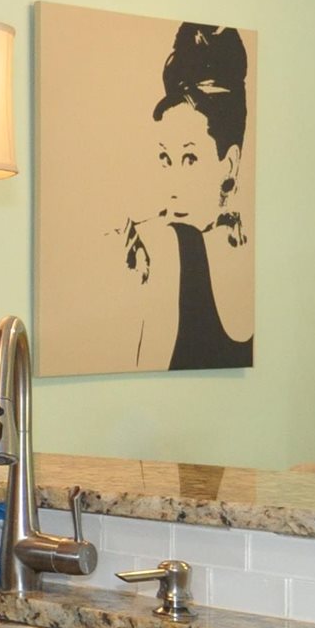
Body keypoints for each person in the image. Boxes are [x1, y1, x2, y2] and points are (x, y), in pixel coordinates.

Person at [121, 23, 252, 370]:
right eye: (166, 159)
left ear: (230, 164)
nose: (173, 185)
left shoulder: (168, 247)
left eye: (190, 159)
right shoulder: (163, 243)